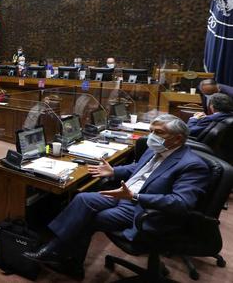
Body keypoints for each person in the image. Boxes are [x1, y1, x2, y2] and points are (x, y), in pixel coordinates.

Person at [23, 114, 210, 279]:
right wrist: (113, 171)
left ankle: (59, 254)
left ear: (178, 139)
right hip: (124, 195)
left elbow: (181, 203)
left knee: (89, 218)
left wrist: (135, 196)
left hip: (144, 208)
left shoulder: (193, 165)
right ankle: (60, 254)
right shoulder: (156, 149)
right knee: (82, 199)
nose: (151, 136)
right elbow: (138, 169)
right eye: (151, 131)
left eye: (158, 132)